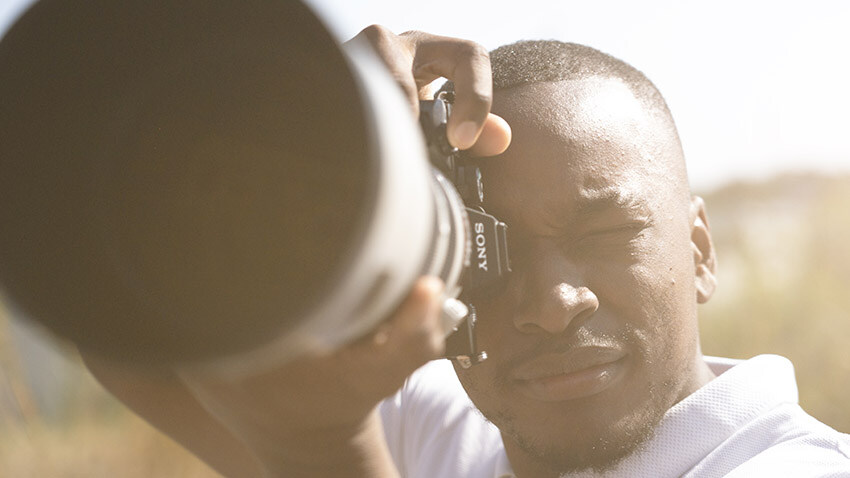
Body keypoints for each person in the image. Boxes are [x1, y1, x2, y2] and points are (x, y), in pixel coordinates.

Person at [2, 4, 848, 477]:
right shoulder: (456, 435)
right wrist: (302, 145)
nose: (552, 305)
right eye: (492, 250)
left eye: (607, 231)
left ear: (699, 250)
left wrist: (321, 455)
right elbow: (121, 324)